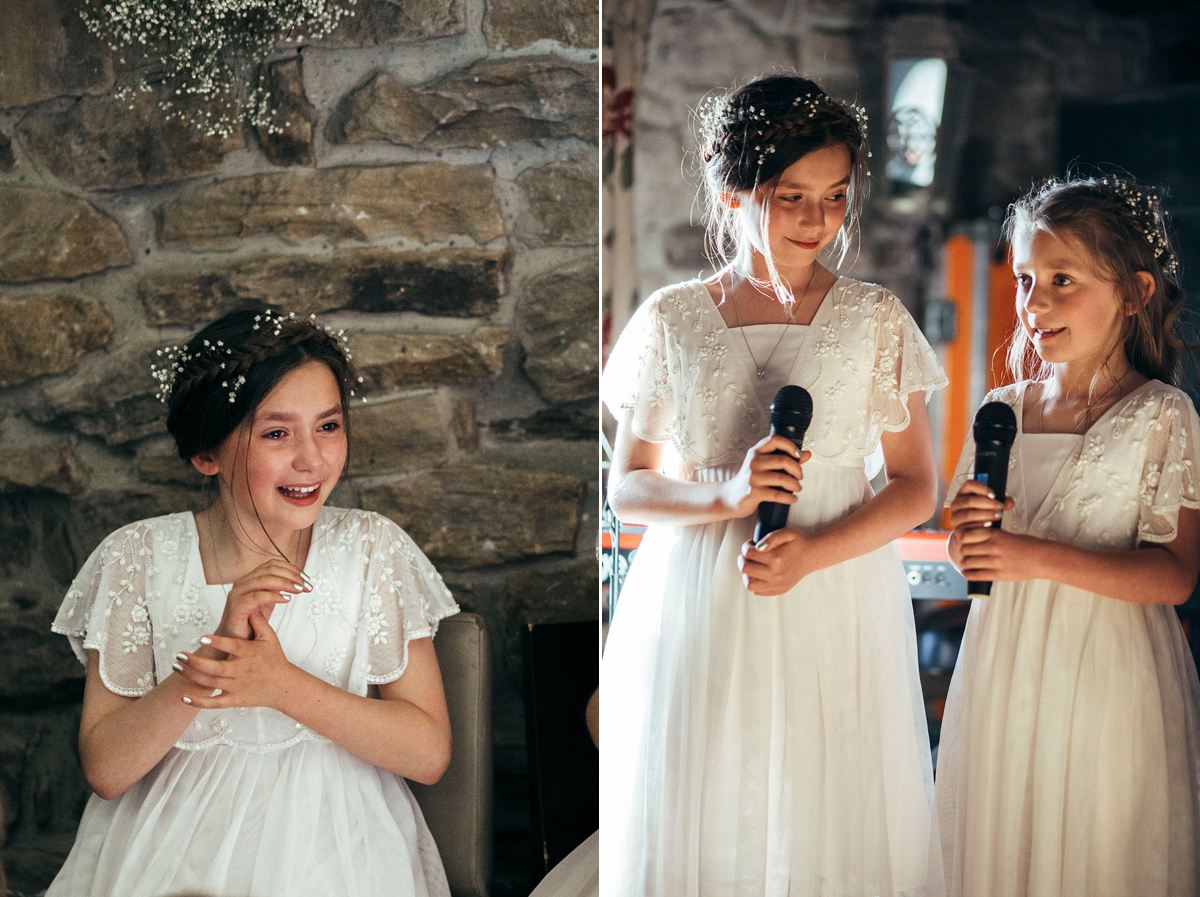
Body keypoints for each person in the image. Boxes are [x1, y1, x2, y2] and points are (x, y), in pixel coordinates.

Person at [601, 73, 946, 896]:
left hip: (833, 587)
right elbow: (632, 487)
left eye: (833, 196)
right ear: (732, 192)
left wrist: (815, 550)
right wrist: (727, 497)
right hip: (701, 594)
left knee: (823, 797)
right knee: (707, 789)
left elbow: (913, 486)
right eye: (791, 195)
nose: (816, 219)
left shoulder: (875, 319)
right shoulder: (675, 321)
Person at [46, 309, 459, 897]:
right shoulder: (135, 556)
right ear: (206, 454)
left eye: (329, 426)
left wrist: (279, 684)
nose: (311, 459)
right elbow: (107, 771)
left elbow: (427, 752)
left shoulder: (372, 548)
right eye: (275, 433)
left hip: (334, 847)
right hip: (169, 849)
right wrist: (212, 665)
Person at [931, 174, 1200, 897]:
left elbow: (1174, 574)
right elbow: (969, 542)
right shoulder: (1001, 409)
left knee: (1093, 848)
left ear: (1135, 291)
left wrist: (1028, 555)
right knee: (1004, 845)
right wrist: (972, 544)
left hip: (1108, 673)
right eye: (1024, 279)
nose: (1034, 302)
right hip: (1004, 666)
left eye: (1061, 279)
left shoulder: (1162, 414)